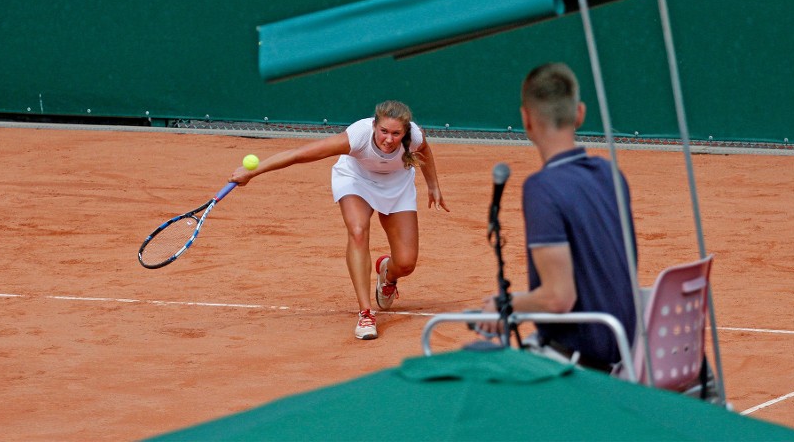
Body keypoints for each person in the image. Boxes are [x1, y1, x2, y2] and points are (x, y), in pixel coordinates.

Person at [231, 100, 449, 340]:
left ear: (405, 132)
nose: (389, 139)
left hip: (397, 185)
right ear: (374, 126)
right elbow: (298, 155)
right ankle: (366, 313)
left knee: (406, 263)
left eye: (396, 133)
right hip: (356, 180)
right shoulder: (357, 137)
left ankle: (388, 273)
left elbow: (424, 150)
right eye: (384, 131)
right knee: (357, 230)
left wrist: (433, 186)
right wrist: (253, 171)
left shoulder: (415, 136)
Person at [476, 62, 637, 371]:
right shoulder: (610, 173)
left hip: (578, 369)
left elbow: (558, 299)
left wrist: (502, 305)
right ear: (579, 113)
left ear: (526, 120)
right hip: (630, 358)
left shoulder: (541, 188)